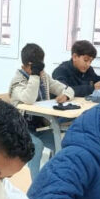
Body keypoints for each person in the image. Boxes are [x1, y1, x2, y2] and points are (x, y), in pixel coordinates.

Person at [9, 43, 74, 179]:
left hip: (40, 127)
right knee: (36, 146)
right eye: (36, 66)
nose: (40, 69)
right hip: (19, 129)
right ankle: (34, 183)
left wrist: (66, 95)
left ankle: (55, 177)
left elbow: (68, 89)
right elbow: (29, 98)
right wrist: (34, 75)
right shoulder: (17, 81)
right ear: (28, 65)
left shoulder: (44, 77)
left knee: (62, 142)